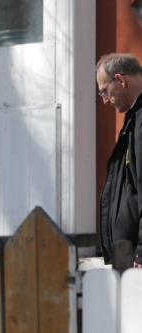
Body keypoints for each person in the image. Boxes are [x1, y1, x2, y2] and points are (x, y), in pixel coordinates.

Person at [97, 53, 142, 267]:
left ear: (121, 80)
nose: (105, 100)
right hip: (128, 257)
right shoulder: (133, 119)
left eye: (105, 91)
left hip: (136, 259)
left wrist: (141, 253)